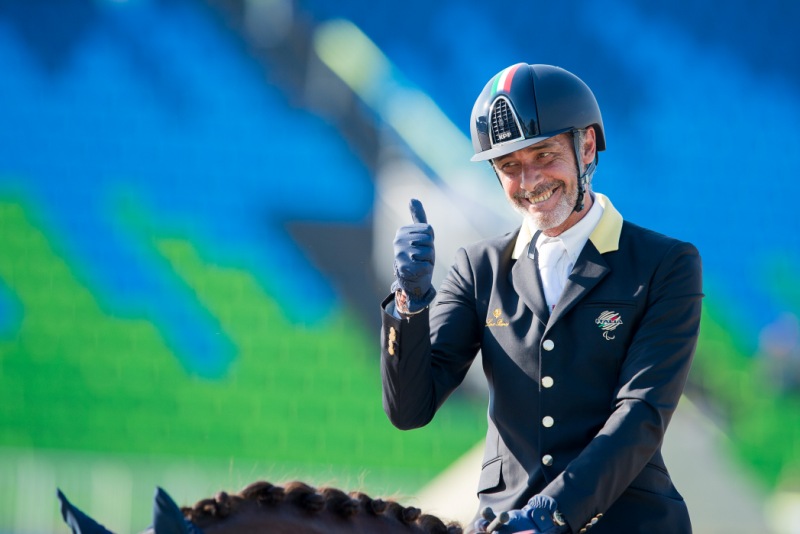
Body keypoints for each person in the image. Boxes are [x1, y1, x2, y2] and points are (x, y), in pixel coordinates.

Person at [380, 63, 703, 534]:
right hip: (504, 519)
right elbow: (410, 410)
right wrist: (409, 304)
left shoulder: (665, 263)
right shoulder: (477, 267)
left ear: (586, 146)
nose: (530, 181)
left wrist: (551, 512)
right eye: (509, 166)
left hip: (625, 521)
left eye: (544, 155)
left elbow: (642, 412)